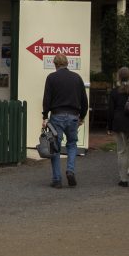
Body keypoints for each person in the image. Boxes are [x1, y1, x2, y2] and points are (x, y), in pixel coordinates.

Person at [41, 53, 88, 188]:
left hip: (57, 116)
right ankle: (70, 170)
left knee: (54, 147)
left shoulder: (51, 78)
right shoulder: (77, 78)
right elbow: (84, 100)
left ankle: (57, 179)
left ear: (55, 64)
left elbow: (47, 99)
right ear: (67, 63)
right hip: (73, 116)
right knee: (72, 144)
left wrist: (45, 116)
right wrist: (82, 116)